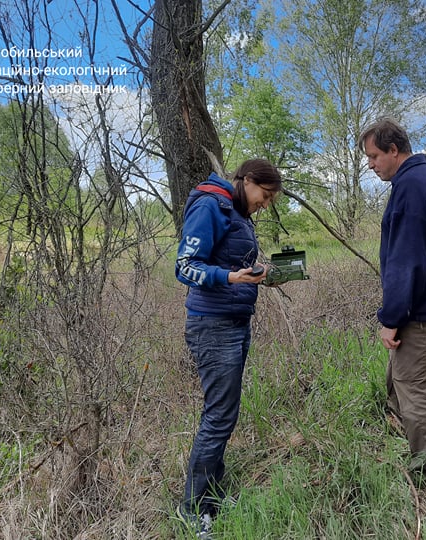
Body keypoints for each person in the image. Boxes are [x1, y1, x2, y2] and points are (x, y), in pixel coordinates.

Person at [174, 159, 282, 538]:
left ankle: (212, 498)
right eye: (264, 195)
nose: (265, 204)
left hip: (235, 322)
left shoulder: (237, 213)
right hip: (212, 326)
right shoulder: (211, 205)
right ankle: (190, 509)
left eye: (270, 200)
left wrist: (257, 276)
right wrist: (231, 277)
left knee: (225, 415)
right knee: (218, 417)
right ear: (247, 181)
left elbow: (232, 264)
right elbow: (185, 266)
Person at [359, 118, 426, 474]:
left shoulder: (413, 186)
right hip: (418, 303)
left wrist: (392, 318)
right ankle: (400, 437)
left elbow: (407, 260)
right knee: (398, 380)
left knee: (414, 387)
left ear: (393, 149)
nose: (370, 165)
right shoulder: (419, 180)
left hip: (415, 308)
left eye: (373, 156)